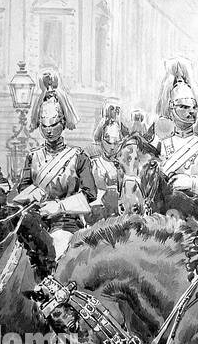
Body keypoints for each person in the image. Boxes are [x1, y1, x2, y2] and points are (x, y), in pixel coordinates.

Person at [13, 71, 96, 260]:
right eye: (44, 125)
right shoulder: (32, 157)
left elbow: (89, 194)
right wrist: (32, 194)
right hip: (34, 223)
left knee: (55, 252)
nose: (49, 131)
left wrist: (59, 207)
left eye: (54, 124)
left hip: (66, 224)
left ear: (63, 122)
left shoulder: (78, 156)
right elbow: (23, 189)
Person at [140, 59, 198, 213]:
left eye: (193, 107)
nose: (191, 112)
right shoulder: (158, 145)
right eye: (184, 107)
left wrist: (192, 184)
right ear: (171, 108)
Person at [90, 104, 132, 222]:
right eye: (108, 142)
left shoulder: (124, 166)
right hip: (101, 213)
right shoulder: (96, 164)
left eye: (116, 143)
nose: (112, 147)